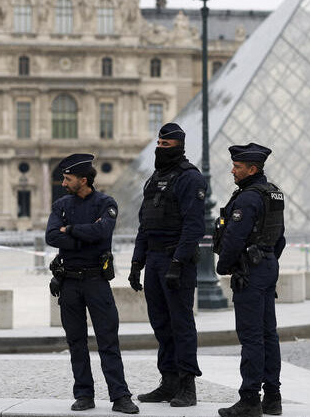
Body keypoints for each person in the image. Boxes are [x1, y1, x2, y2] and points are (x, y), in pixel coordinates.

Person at [45, 153, 139, 414]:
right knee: (76, 342)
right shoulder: (61, 204)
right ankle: (84, 394)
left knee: (108, 341)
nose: (63, 183)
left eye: (68, 179)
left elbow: (103, 233)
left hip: (96, 281)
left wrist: (71, 230)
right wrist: (84, 234)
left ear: (83, 180)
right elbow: (52, 236)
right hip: (69, 282)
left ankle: (120, 396)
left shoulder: (106, 202)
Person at [129, 123, 205, 407]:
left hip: (176, 260)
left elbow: (194, 227)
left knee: (181, 324)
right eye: (158, 145)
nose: (160, 150)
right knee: (160, 324)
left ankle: (187, 385)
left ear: (179, 147)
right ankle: (168, 381)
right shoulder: (154, 179)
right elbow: (145, 224)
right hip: (154, 260)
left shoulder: (190, 179)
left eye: (166, 146)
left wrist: (177, 262)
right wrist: (137, 263)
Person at [214, 143, 286, 417]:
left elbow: (233, 238)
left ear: (252, 169)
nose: (232, 170)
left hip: (250, 271)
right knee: (269, 334)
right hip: (267, 265)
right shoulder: (274, 194)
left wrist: (224, 265)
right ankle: (273, 397)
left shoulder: (247, 198)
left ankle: (249, 399)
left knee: (252, 336)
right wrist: (268, 258)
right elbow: (281, 237)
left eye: (238, 167)